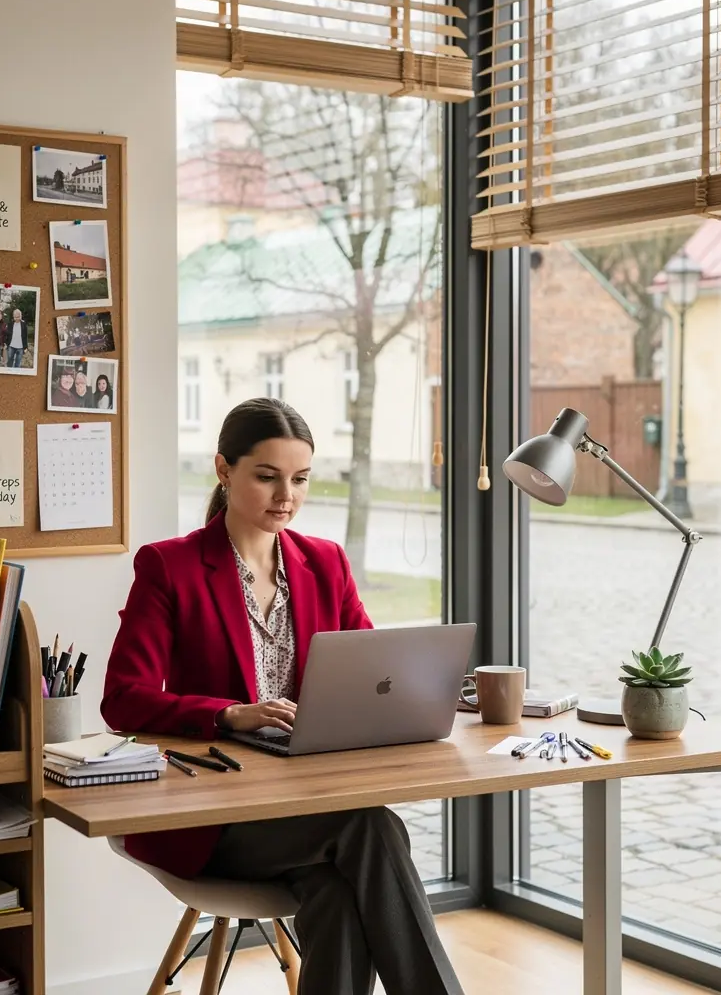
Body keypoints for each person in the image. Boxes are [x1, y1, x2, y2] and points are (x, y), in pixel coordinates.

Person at [100, 397, 463, 995]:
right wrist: (226, 712)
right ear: (224, 470)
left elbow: (372, 672)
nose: (285, 496)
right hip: (215, 817)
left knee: (338, 896)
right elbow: (123, 697)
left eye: (299, 479)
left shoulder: (325, 562)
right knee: (372, 828)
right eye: (267, 477)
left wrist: (432, 686)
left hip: (308, 801)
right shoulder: (170, 566)